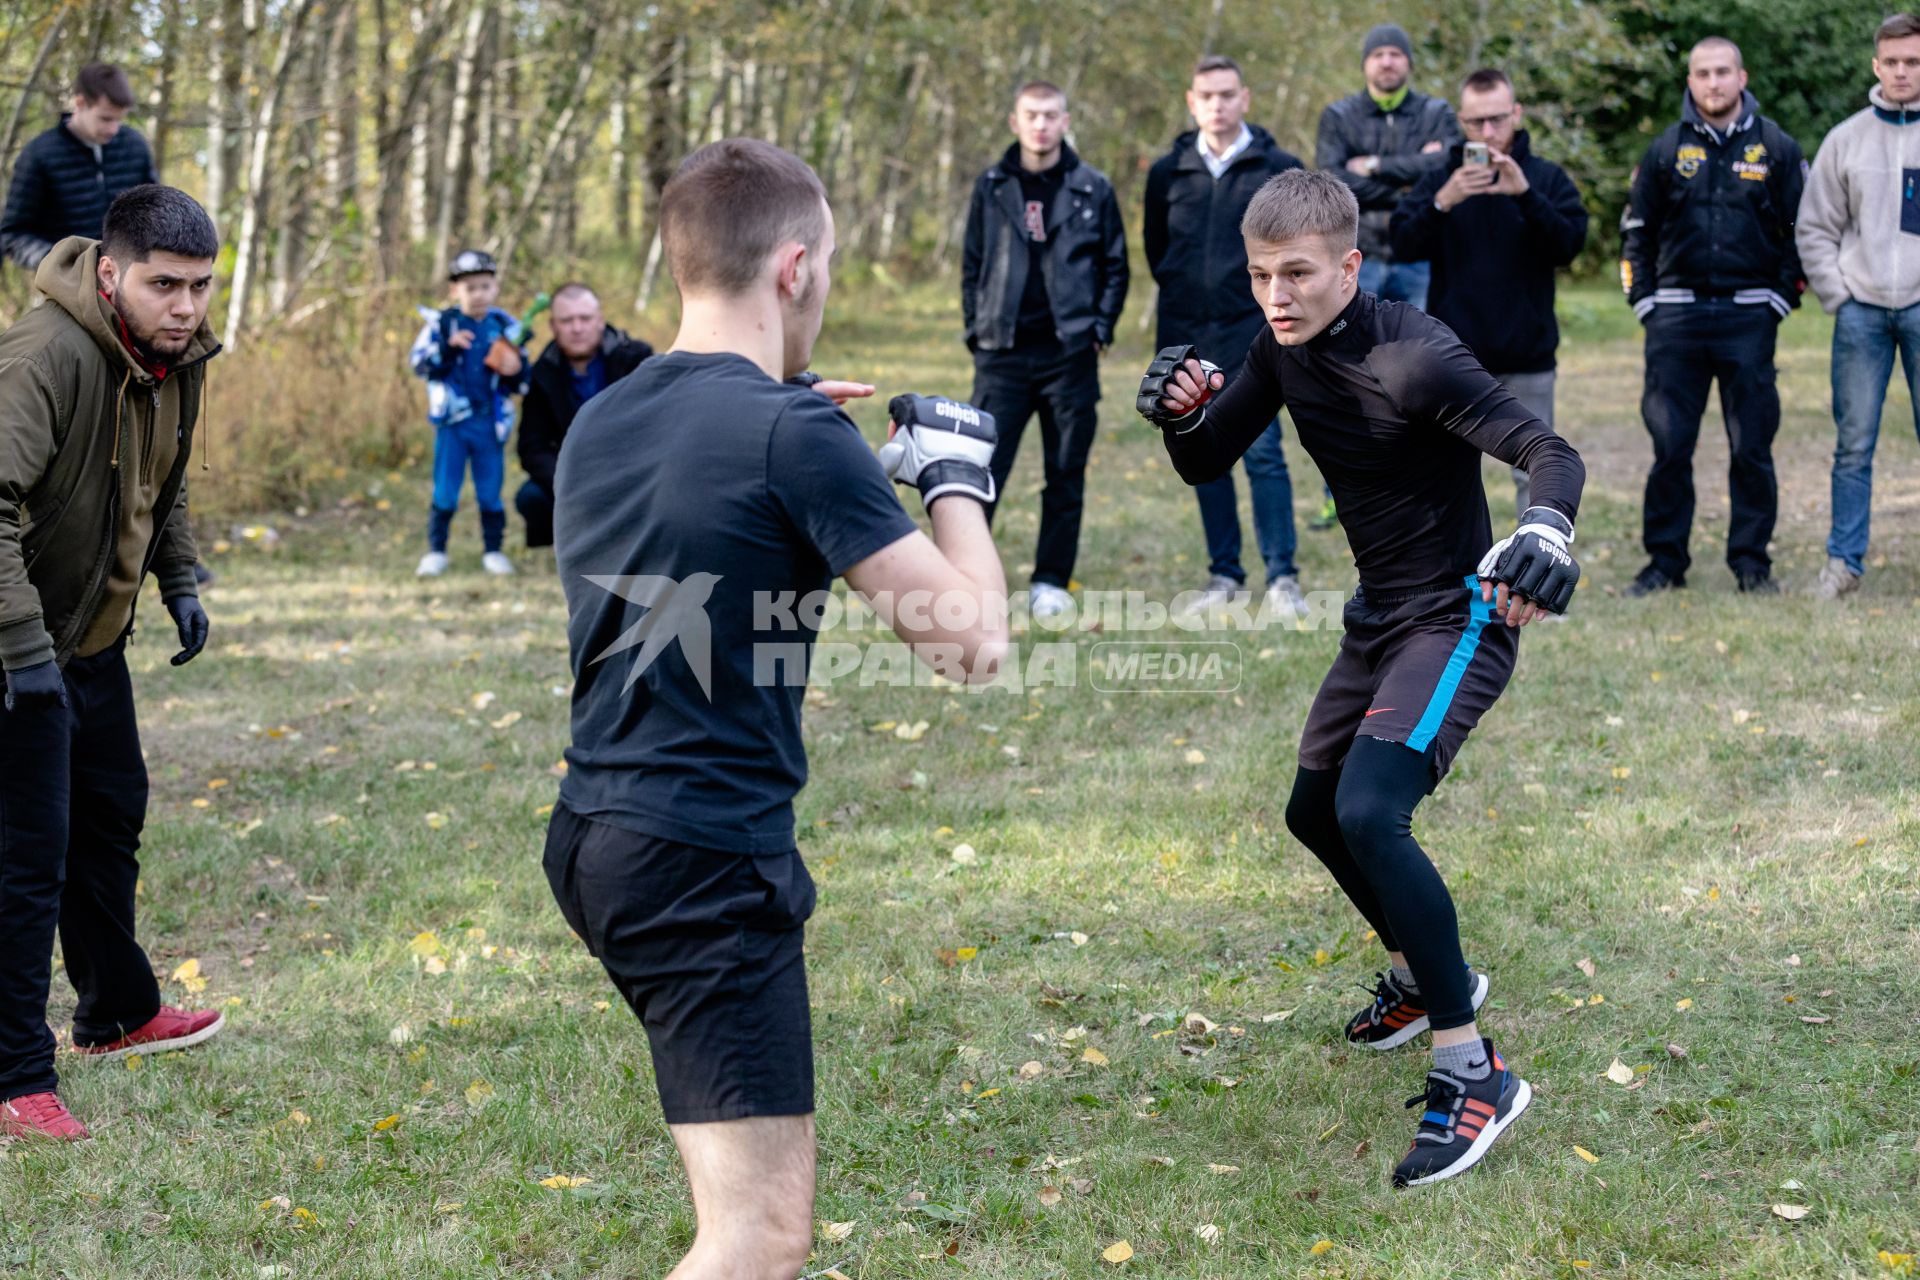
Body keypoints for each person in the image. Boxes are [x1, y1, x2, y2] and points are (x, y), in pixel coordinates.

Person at [547, 138, 1007, 1279]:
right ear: (795, 266)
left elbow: (708, 491)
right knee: (758, 1237)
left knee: (735, 1213)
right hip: (702, 863)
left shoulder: (604, 416)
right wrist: (954, 477)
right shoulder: (793, 434)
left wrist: (795, 421)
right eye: (832, 265)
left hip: (596, 834)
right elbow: (972, 642)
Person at [1136, 169, 1586, 1187]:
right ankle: (1430, 977)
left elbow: (1546, 449)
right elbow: (1210, 457)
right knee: (1313, 811)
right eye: (1259, 276)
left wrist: (1545, 531)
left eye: (1296, 273)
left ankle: (1474, 1069)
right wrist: (1176, 410)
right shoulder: (1278, 346)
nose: (1275, 296)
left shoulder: (1412, 353)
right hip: (1376, 617)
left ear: (1349, 263)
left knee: (1372, 809)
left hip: (1459, 612)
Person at [0, 185, 227, 1142]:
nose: (185, 306)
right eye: (164, 285)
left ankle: (116, 1015)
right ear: (109, 273)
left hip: (92, 642)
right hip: (17, 652)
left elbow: (158, 481)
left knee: (108, 824)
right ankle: (13, 1077)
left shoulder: (174, 358)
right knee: (25, 863)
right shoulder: (42, 359)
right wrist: (22, 656)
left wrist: (178, 579)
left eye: (201, 286)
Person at [1620, 37, 1807, 597]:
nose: (1714, 83)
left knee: (1752, 446)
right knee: (1671, 448)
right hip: (1675, 323)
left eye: (1723, 71)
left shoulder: (1776, 147)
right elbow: (1636, 235)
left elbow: (1806, 231)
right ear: (1691, 80)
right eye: (1702, 73)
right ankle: (1665, 564)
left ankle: (1752, 564)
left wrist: (1781, 297)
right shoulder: (1663, 149)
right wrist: (1645, 302)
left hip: (1749, 320)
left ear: (1742, 76)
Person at [1144, 54, 1308, 617]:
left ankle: (1283, 578)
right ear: (1192, 102)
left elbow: (1298, 251)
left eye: (1227, 94)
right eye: (1206, 96)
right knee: (1201, 455)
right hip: (1187, 338)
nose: (1218, 105)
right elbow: (1156, 250)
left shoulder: (1278, 166)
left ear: (1245, 99)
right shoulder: (1169, 171)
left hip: (1254, 337)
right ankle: (1224, 575)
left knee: (1264, 457)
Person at [1390, 67, 1589, 518]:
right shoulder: (1445, 176)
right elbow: (1401, 242)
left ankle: (1532, 577)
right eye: (1476, 122)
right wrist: (1443, 201)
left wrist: (1525, 196)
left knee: (1535, 472)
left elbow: (1570, 245)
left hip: (1528, 356)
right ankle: (1450, 582)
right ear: (1461, 121)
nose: (1488, 132)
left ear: (1516, 114)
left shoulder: (1545, 177)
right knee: (1447, 474)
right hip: (1455, 358)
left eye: (1497, 120)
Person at [961, 80, 1127, 620]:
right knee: (981, 469)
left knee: (1065, 470)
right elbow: (973, 263)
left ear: (1065, 120)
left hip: (1069, 355)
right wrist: (976, 329)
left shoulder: (1091, 187)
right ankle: (965, 579)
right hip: (1002, 354)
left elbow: (1114, 265)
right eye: (1031, 115)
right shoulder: (991, 185)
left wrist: (1098, 329)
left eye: (1051, 115)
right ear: (1014, 121)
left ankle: (1051, 581)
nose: (1041, 124)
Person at [1311, 23, 1459, 532]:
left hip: (1420, 257)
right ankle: (1340, 491)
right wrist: (1408, 179)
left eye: (1397, 53)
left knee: (1419, 370)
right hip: (1356, 260)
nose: (1388, 62)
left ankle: (1415, 484)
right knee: (1346, 373)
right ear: (1366, 63)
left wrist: (1372, 167)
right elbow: (1331, 183)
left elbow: (1444, 171)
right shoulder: (1339, 115)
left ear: (1409, 62)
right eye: (1380, 54)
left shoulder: (1437, 113)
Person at [1795, 12, 1920, 600]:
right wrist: (1838, 294)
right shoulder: (1847, 139)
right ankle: (1844, 564)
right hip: (1862, 313)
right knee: (1854, 443)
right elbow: (1815, 225)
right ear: (1876, 65)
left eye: (1912, 61)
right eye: (1892, 61)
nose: (1901, 71)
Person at [409, 248, 528, 577]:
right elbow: (420, 365)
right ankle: (436, 551)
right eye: (470, 287)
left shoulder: (506, 326)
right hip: (452, 423)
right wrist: (448, 348)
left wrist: (514, 369)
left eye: (485, 286)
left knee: (490, 491)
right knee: (445, 489)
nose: (478, 294)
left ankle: (493, 550)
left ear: (495, 287)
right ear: (455, 290)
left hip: (491, 422)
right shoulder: (442, 324)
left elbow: (522, 379)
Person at [514, 282, 653, 549]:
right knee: (530, 498)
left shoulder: (637, 359)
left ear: (600, 321)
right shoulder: (541, 373)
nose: (577, 328)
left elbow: (656, 427)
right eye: (567, 321)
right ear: (553, 326)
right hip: (570, 478)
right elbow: (532, 447)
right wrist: (568, 482)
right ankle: (562, 543)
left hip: (629, 471)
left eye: (585, 318)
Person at [1, 64, 156, 272]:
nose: (113, 129)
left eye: (119, 119)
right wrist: (61, 263)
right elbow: (13, 234)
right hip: (67, 287)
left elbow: (155, 212)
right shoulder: (39, 155)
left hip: (130, 277)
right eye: (106, 119)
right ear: (80, 102)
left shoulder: (135, 146)